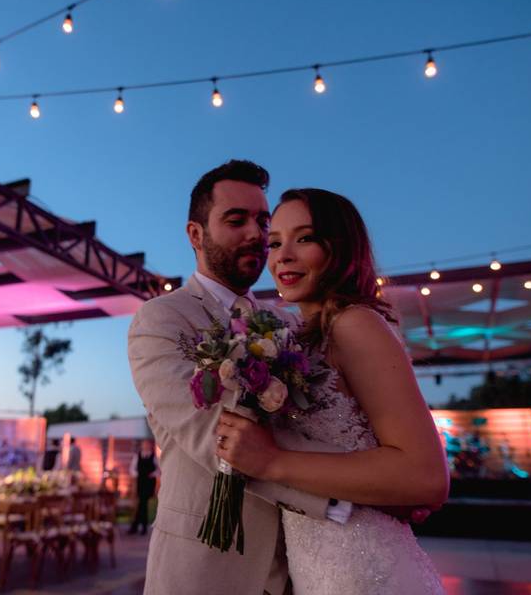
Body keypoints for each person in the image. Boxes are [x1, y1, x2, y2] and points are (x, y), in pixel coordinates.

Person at [129, 161, 370, 595]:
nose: (257, 234)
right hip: (207, 566)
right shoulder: (162, 319)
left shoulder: (288, 322)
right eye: (236, 220)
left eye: (263, 221)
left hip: (303, 564)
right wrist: (359, 488)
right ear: (195, 234)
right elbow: (213, 434)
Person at [214, 188, 448, 594]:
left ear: (340, 247)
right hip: (315, 570)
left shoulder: (355, 324)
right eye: (274, 242)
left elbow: (426, 476)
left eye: (304, 238)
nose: (282, 255)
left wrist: (271, 462)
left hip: (366, 571)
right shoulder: (302, 339)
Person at [128, 439, 159, 535]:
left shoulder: (154, 457)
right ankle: (141, 527)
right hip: (140, 483)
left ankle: (136, 526)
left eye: (147, 444)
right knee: (142, 504)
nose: (145, 446)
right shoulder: (137, 456)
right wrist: (138, 474)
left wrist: (152, 474)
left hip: (149, 483)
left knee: (143, 503)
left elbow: (158, 470)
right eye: (144, 444)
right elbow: (132, 469)